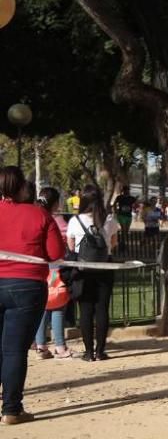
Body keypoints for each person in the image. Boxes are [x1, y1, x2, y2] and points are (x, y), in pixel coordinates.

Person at [0, 167, 65, 424]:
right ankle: (12, 409)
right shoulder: (40, 215)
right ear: (22, 187)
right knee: (15, 350)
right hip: (26, 286)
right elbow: (55, 253)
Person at [67, 185, 119, 362]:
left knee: (86, 310)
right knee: (102, 309)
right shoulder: (109, 219)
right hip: (105, 267)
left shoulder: (75, 221)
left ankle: (88, 352)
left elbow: (71, 246)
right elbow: (114, 242)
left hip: (83, 269)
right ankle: (100, 350)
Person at [34, 188, 72, 359]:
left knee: (42, 306)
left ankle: (41, 345)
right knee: (57, 305)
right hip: (54, 269)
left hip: (37, 268)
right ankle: (59, 346)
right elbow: (59, 247)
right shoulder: (55, 220)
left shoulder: (33, 216)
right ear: (56, 203)